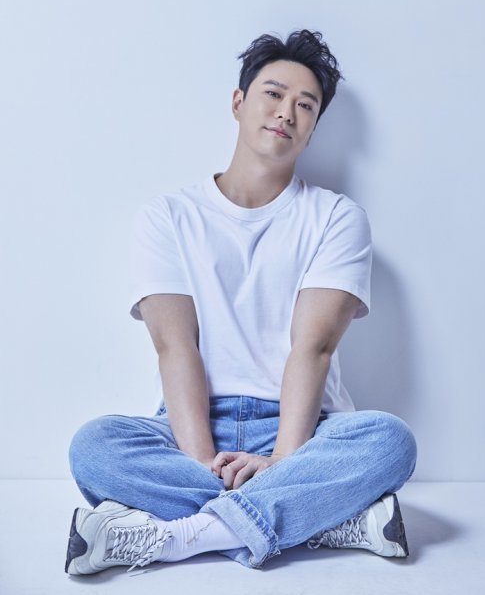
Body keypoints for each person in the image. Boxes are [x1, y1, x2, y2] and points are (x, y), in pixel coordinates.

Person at [66, 29, 417, 576]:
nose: (286, 112)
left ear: (313, 128)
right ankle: (322, 520)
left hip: (303, 427)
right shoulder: (168, 217)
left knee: (390, 443)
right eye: (273, 94)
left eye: (306, 105)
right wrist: (203, 460)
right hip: (190, 425)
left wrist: (281, 459)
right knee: (94, 447)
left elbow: (313, 348)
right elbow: (175, 348)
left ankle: (181, 537)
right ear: (238, 102)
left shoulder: (337, 218)